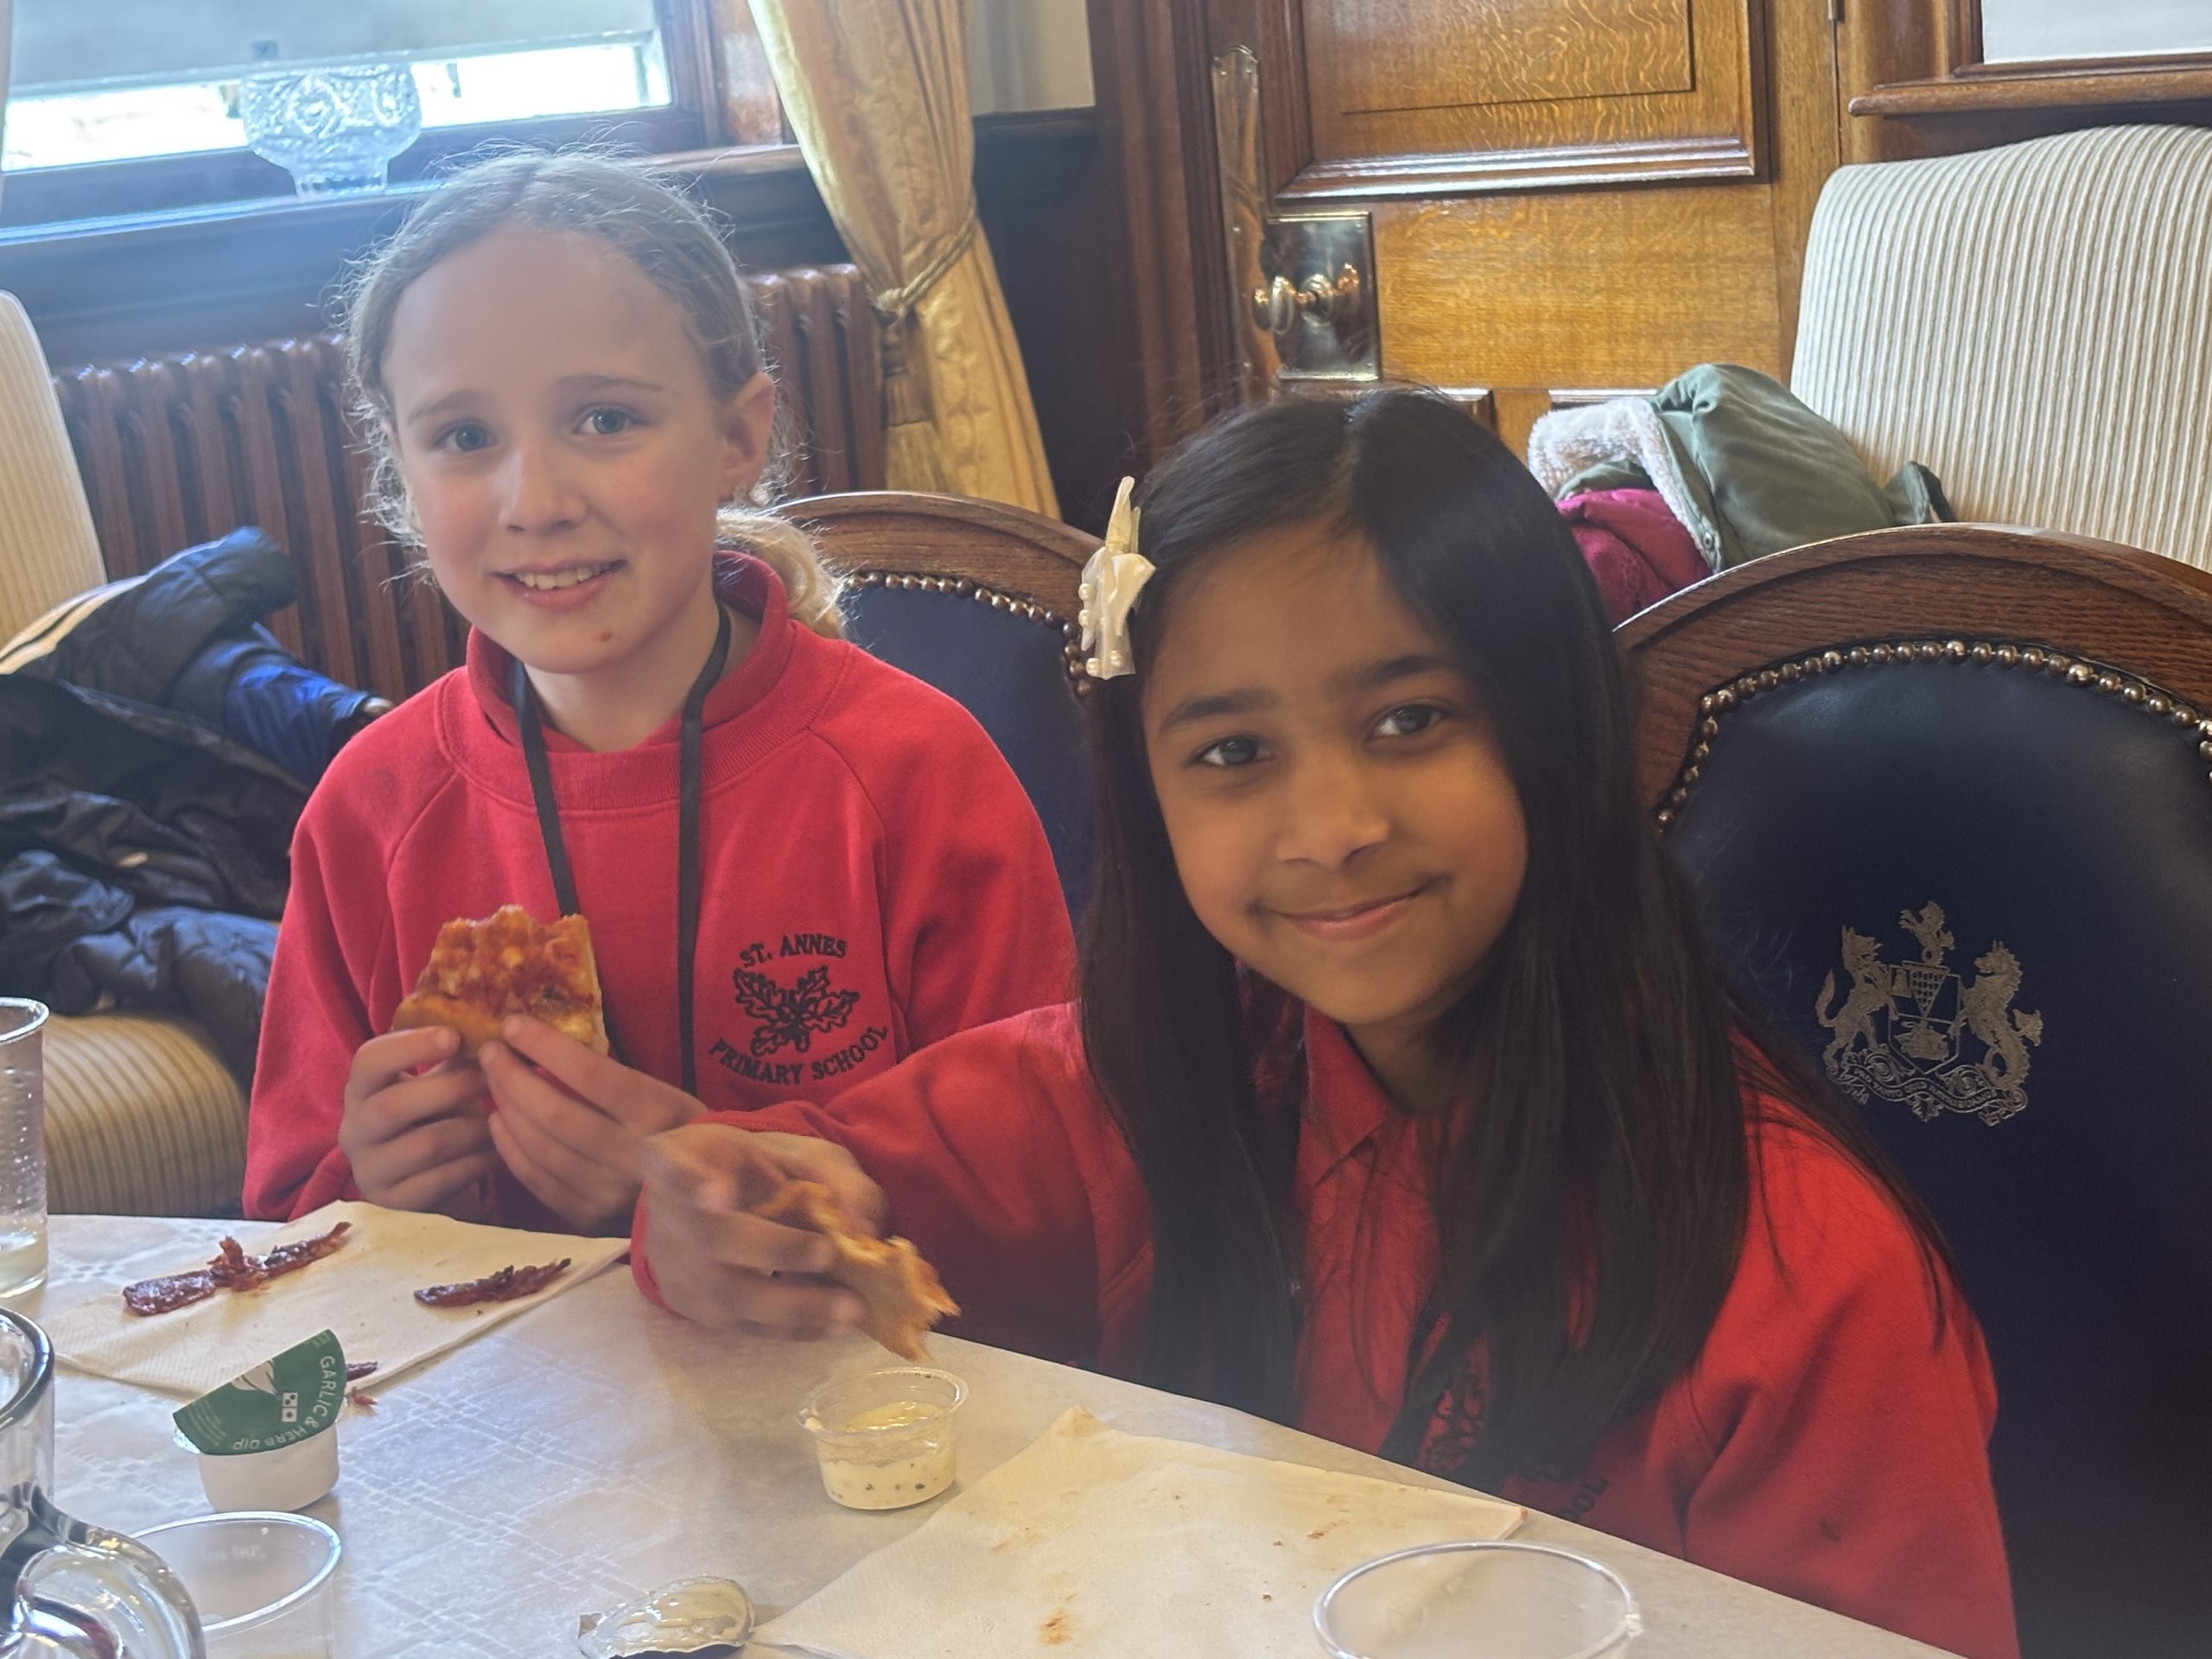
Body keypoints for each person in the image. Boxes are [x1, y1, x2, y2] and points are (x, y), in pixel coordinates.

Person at [630, 391, 2019, 1659]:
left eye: (1410, 721)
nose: (1332, 828)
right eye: (1234, 753)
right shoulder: (1144, 1091)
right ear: (1149, 798)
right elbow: (798, 1183)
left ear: (1555, 733)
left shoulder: (1799, 1273)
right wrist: (723, 1216)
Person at [243, 152, 1072, 1234]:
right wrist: (367, 1191)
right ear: (400, 473)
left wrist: (726, 1182)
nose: (536, 500)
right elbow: (286, 1225)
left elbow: (1051, 1198)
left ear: (736, 437)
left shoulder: (914, 774)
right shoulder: (370, 809)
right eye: (464, 437)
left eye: (604, 420)